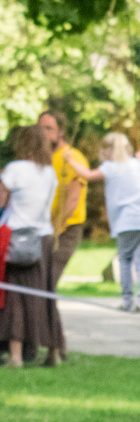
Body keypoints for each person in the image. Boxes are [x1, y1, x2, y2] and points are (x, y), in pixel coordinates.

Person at [63, 133, 140, 312]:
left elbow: (88, 175)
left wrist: (70, 160)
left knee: (125, 260)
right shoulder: (139, 164)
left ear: (109, 150)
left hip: (127, 221)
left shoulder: (111, 167)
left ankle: (127, 301)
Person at [0, 126, 59, 368]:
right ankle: (52, 351)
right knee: (44, 295)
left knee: (15, 295)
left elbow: (1, 198)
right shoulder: (50, 173)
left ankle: (15, 356)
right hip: (43, 238)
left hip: (17, 237)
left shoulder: (15, 169)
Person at [41, 111, 87, 291]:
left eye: (48, 128)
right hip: (44, 227)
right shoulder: (41, 158)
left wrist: (56, 228)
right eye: (40, 128)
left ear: (61, 132)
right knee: (39, 283)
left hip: (66, 228)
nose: (43, 132)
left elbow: (72, 200)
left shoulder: (72, 157)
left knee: (48, 281)